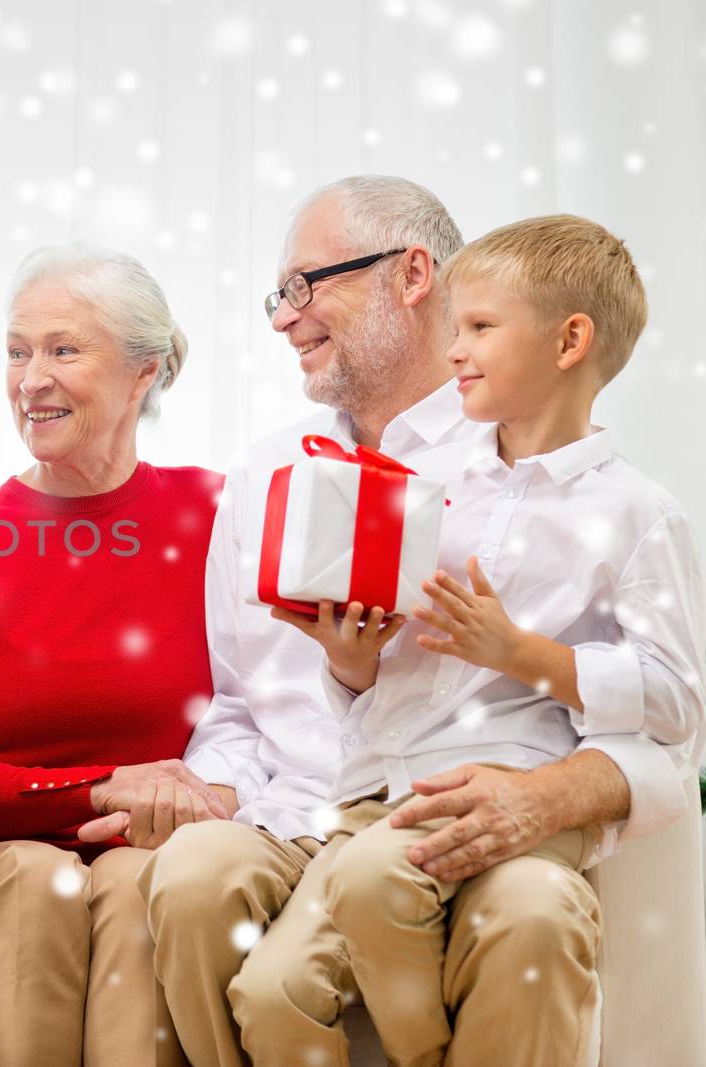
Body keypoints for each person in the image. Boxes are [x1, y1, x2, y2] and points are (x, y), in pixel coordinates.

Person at [138, 175, 698, 1067]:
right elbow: (243, 703)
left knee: (530, 913)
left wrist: (548, 782)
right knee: (201, 886)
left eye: (305, 285)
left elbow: (670, 716)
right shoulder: (267, 471)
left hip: (459, 795)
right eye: (278, 294)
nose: (284, 318)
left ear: (411, 275)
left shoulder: (505, 466)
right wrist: (230, 768)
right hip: (308, 808)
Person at [0, 244, 224, 1067]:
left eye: (63, 350)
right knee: (39, 879)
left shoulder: (215, 517)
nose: (31, 379)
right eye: (18, 352)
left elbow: (280, 711)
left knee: (137, 881)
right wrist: (94, 789)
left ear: (142, 374)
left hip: (151, 848)